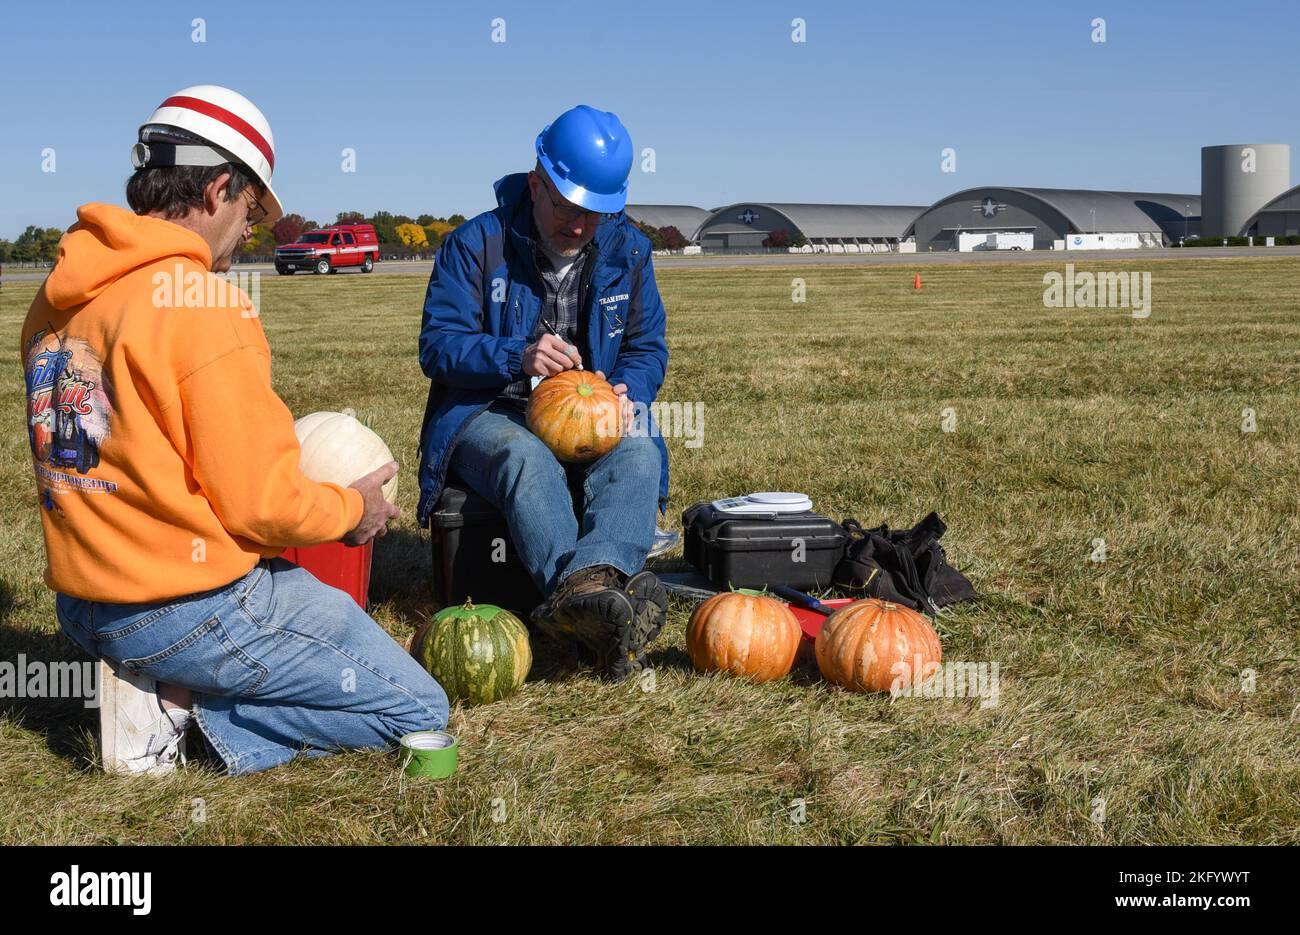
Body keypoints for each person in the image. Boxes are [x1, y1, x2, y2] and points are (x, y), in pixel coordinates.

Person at [21, 85, 447, 776]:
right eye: (250, 209)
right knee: (417, 708)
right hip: (185, 609)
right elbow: (263, 505)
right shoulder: (202, 303)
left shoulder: (60, 293)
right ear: (218, 187)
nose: (249, 230)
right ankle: (181, 710)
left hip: (85, 605)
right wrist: (353, 509)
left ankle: (153, 680)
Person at [418, 105, 670, 681]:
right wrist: (516, 355)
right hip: (487, 410)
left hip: (589, 407)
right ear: (537, 182)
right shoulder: (475, 244)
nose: (579, 225)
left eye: (595, 213)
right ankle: (601, 610)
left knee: (638, 450)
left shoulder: (629, 250)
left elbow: (646, 345)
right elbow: (438, 346)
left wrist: (632, 388)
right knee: (525, 457)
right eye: (566, 207)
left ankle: (589, 602)